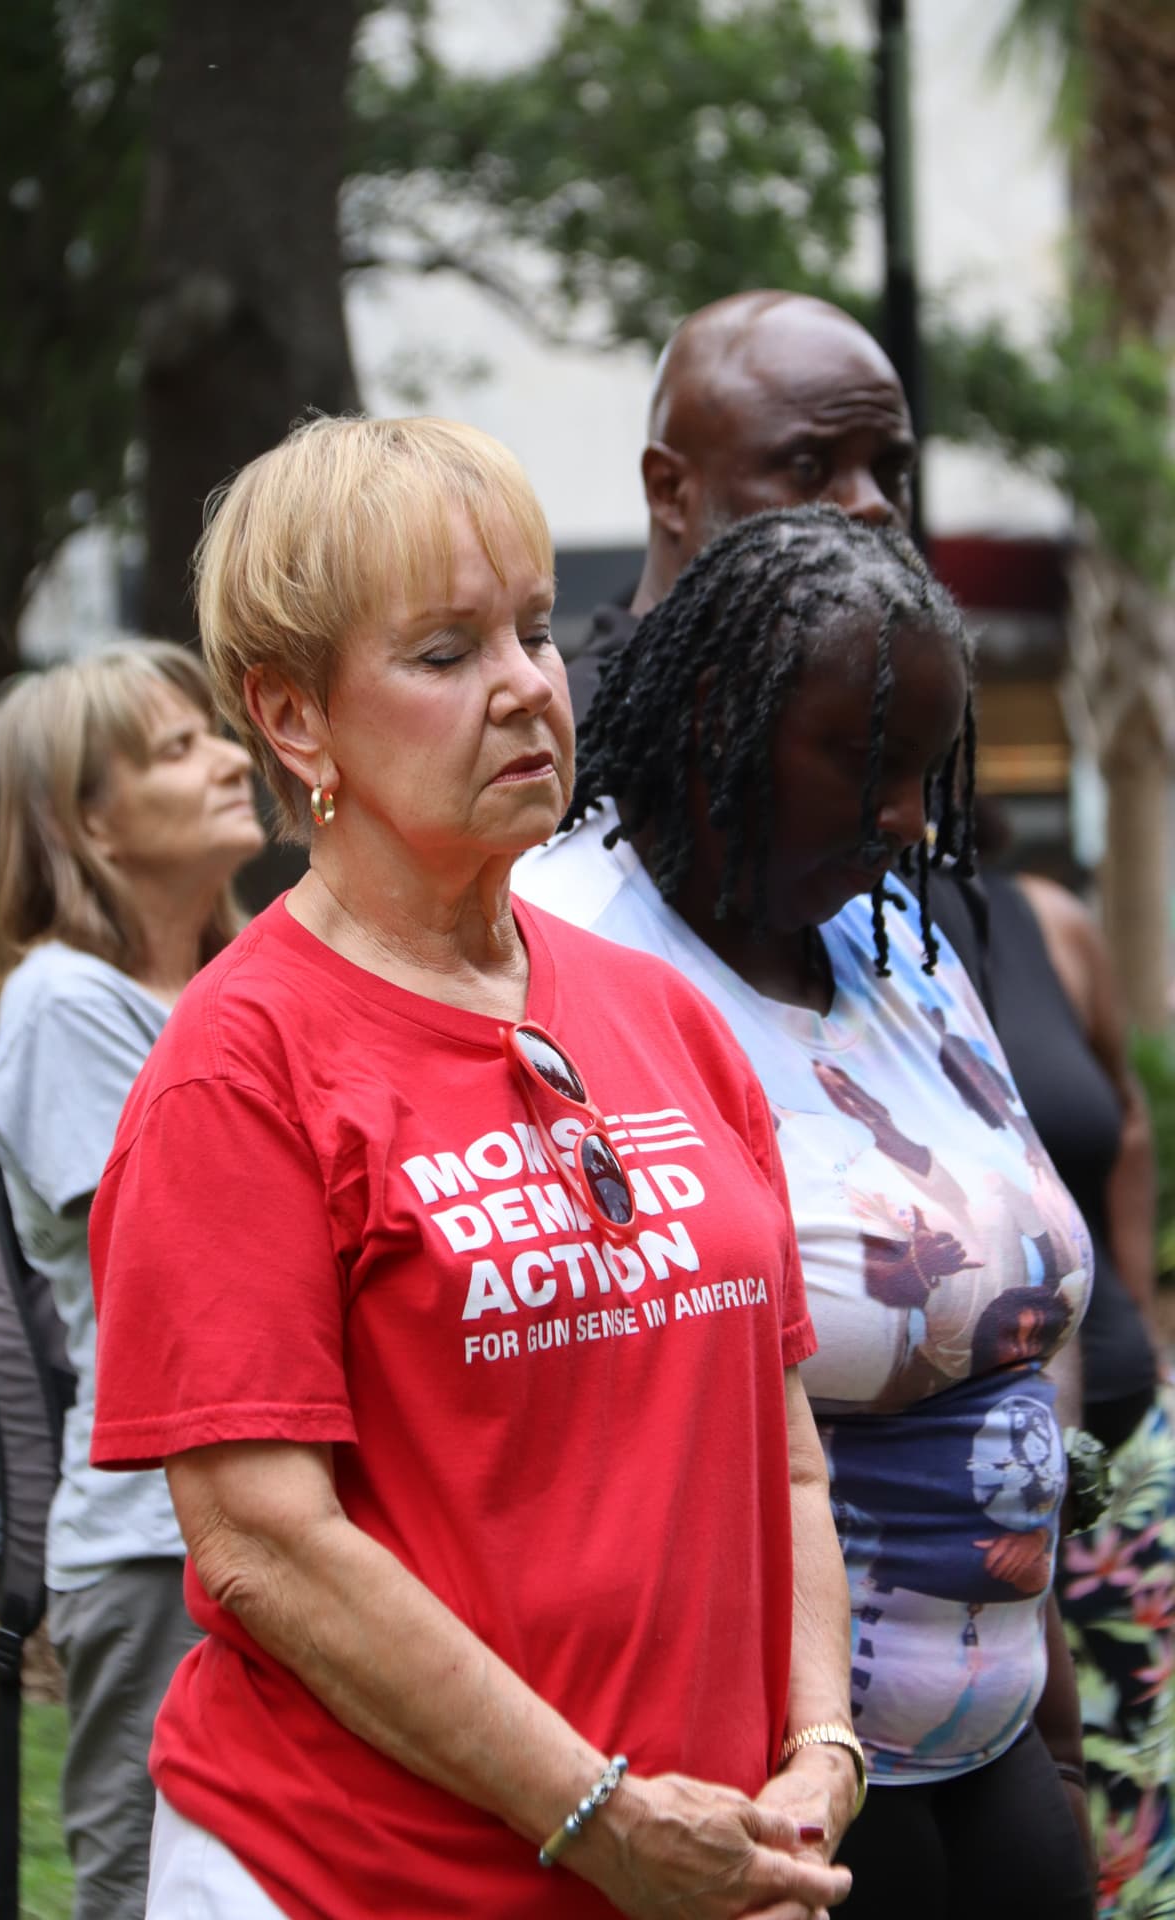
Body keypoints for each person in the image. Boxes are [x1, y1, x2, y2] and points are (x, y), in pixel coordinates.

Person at [86, 415, 859, 1920]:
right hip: (353, 1880)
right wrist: (600, 1816)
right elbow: (263, 1546)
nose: (524, 687)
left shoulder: (667, 1019)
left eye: (533, 631)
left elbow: (785, 1465)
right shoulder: (236, 1070)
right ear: (294, 718)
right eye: (445, 653)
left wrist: (814, 1756)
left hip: (702, 1870)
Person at [516, 504, 1095, 1920]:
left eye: (921, 772)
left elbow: (1011, 1316)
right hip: (765, 1769)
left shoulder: (885, 942)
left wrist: (1054, 1711)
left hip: (997, 1738)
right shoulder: (564, 948)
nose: (907, 820)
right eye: (864, 760)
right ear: (720, 712)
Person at [0, 641, 265, 1920]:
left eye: (215, 734)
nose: (233, 759)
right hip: (158, 1542)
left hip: (275, 1521)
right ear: (88, 823)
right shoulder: (64, 1005)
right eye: (178, 749)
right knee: (149, 1888)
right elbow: (184, 1257)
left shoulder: (230, 983)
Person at [973, 825, 1175, 1914]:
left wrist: (1134, 1314)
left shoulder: (1047, 922)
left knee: (1144, 1823)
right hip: (967, 1513)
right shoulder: (823, 948)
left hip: (1122, 1453)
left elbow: (1126, 1124)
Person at [566, 289, 917, 721]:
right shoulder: (568, 746)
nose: (873, 503)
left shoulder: (893, 723)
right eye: (808, 467)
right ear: (669, 491)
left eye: (891, 471)